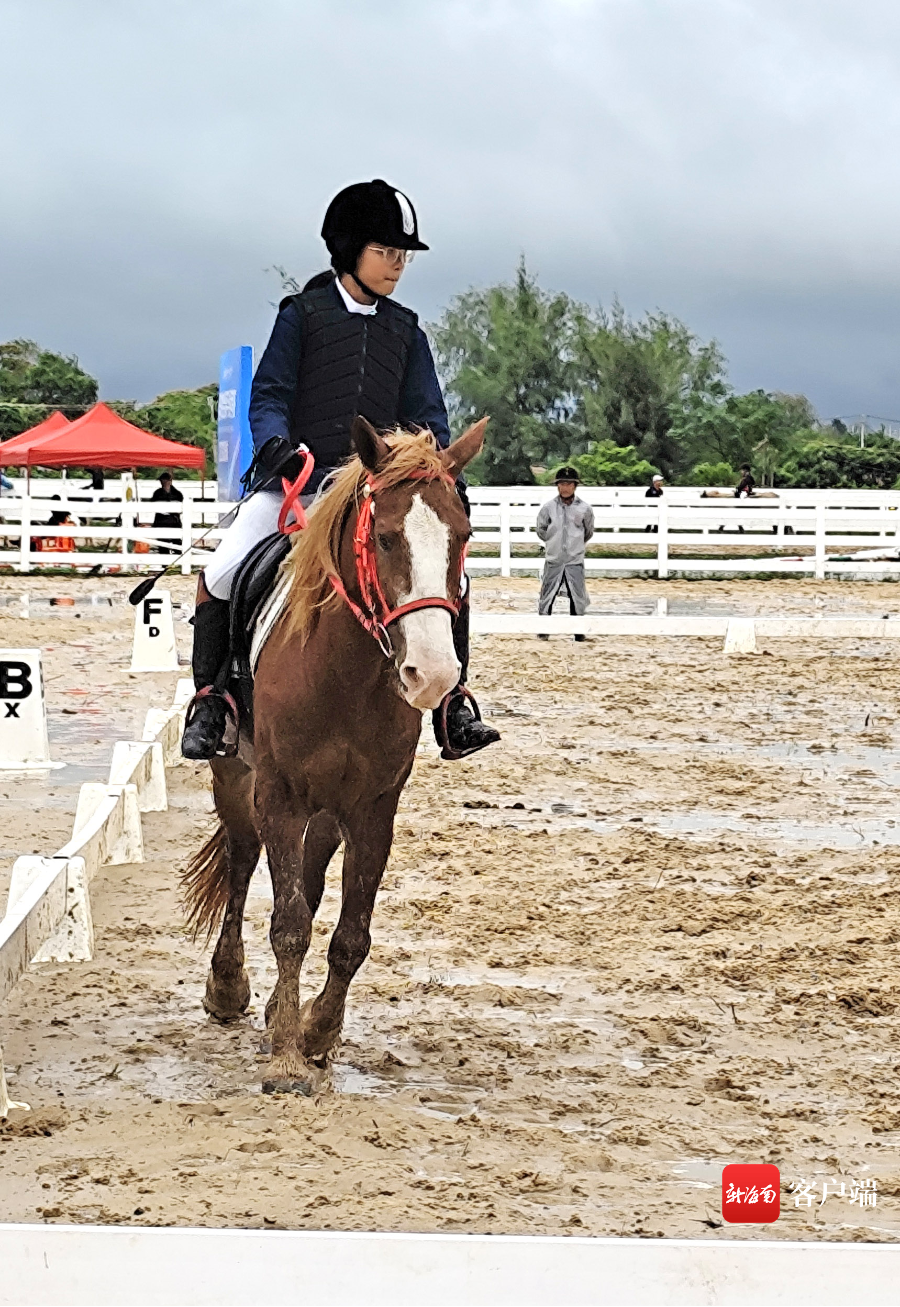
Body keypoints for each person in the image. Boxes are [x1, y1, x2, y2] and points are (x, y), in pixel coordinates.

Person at [182, 179, 500, 762]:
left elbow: (428, 413)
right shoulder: (302, 315)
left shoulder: (406, 330)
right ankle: (212, 701)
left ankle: (453, 704)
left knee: (451, 579)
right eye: (386, 252)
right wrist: (275, 444)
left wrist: (432, 466)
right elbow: (271, 393)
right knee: (223, 570)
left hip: (377, 488)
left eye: (403, 255)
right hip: (298, 482)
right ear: (350, 250)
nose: (398, 265)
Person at [535, 467, 594, 642]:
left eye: (569, 484)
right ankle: (544, 629)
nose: (565, 487)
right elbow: (541, 529)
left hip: (574, 559)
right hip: (554, 559)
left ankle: (578, 630)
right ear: (557, 486)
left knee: (577, 595)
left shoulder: (584, 509)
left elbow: (588, 531)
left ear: (575, 486)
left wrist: (574, 545)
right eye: (562, 484)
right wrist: (554, 542)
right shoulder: (548, 508)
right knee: (547, 594)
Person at [149, 471, 184, 552]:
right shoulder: (157, 493)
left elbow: (181, 508)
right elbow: (152, 505)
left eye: (164, 480)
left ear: (169, 481)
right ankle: (165, 564)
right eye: (162, 481)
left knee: (177, 545)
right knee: (163, 545)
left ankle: (178, 563)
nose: (163, 482)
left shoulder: (177, 494)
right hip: (161, 522)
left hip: (174, 522)